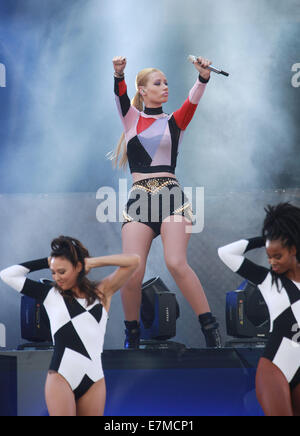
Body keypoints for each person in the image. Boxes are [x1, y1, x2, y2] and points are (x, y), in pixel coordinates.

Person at [111, 55, 222, 349]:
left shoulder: (175, 121)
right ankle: (131, 334)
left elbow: (193, 101)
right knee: (132, 272)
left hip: (170, 196)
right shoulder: (131, 119)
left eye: (167, 83)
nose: (165, 87)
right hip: (139, 199)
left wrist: (203, 77)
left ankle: (210, 328)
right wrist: (119, 74)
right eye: (158, 83)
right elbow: (120, 96)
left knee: (176, 262)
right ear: (143, 90)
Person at [0, 236, 140, 416]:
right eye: (53, 272)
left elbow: (134, 261)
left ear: (78, 267)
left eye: (62, 271)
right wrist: (46, 261)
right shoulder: (49, 294)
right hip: (61, 377)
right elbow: (7, 274)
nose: (56, 277)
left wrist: (92, 262)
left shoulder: (102, 292)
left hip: (95, 379)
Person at [218, 203, 300, 416]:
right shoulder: (269, 280)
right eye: (269, 255)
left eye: (278, 256)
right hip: (276, 368)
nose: (272, 262)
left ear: (293, 249)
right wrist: (264, 239)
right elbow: (226, 253)